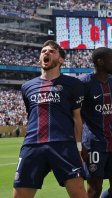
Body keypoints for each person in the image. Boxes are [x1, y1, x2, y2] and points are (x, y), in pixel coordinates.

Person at [13, 40, 87, 198]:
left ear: (61, 60)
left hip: (63, 146)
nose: (46, 53)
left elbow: (77, 118)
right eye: (43, 51)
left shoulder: (74, 84)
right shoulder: (27, 86)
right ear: (40, 59)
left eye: (52, 51)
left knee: (79, 194)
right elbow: (32, 115)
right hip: (32, 146)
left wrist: (79, 148)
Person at [80, 47, 112, 198]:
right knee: (94, 188)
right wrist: (79, 145)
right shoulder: (84, 83)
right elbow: (74, 115)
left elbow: (110, 111)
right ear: (100, 62)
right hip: (93, 143)